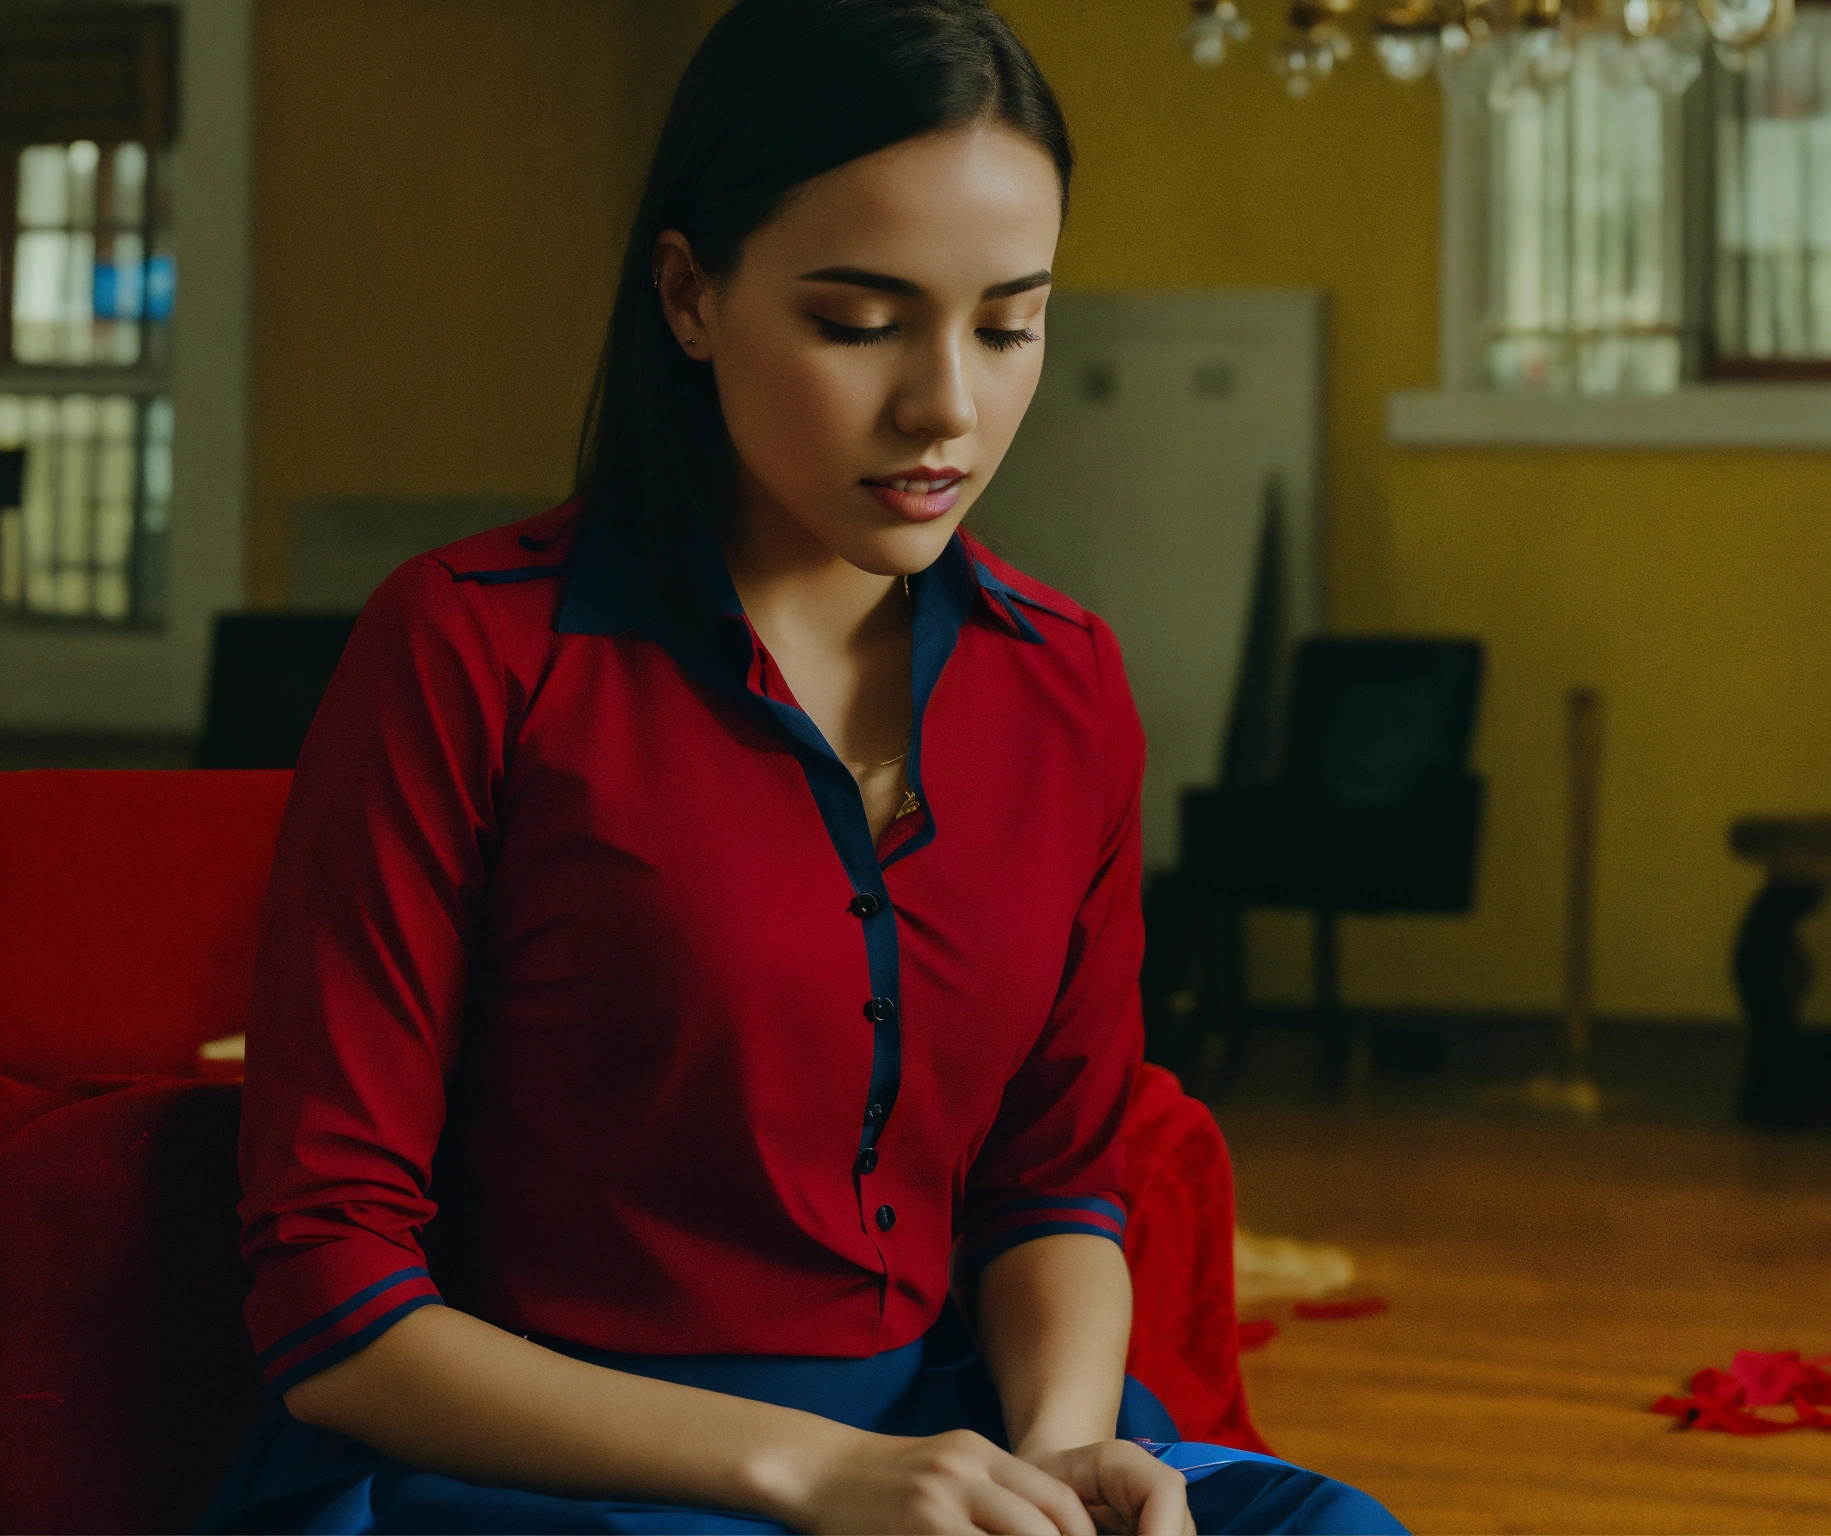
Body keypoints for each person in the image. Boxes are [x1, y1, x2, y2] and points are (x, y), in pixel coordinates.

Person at [200, 3, 1403, 1531]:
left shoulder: (1067, 683)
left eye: (1007, 325)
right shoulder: (468, 650)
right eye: (858, 322)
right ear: (688, 295)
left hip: (948, 1438)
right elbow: (331, 1295)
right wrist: (823, 1473)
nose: (946, 406)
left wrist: (1058, 1459)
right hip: (552, 1473)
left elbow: (1053, 1182)